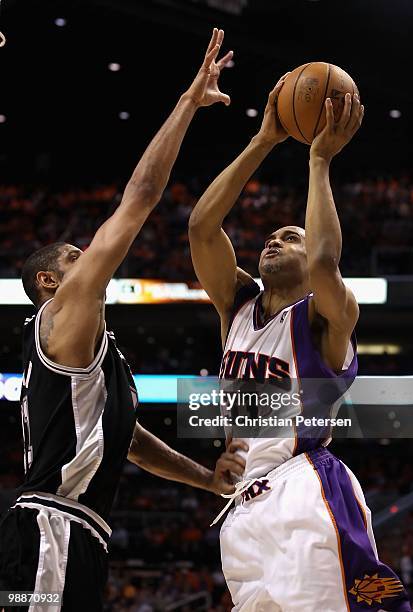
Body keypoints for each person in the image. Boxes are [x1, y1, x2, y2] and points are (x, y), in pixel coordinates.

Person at [0, 28, 245, 612]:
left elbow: (130, 442)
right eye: (75, 258)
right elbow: (140, 197)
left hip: (76, 536)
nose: (92, 258)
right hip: (48, 531)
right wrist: (189, 101)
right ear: (49, 283)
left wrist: (205, 479)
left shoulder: (98, 357)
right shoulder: (62, 316)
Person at [188, 77, 411, 611]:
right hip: (241, 511)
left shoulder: (326, 318)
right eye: (270, 236)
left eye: (291, 236)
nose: (273, 239)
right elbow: (201, 227)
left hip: (306, 489)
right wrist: (263, 140)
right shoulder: (236, 306)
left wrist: (319, 161)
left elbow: (325, 262)